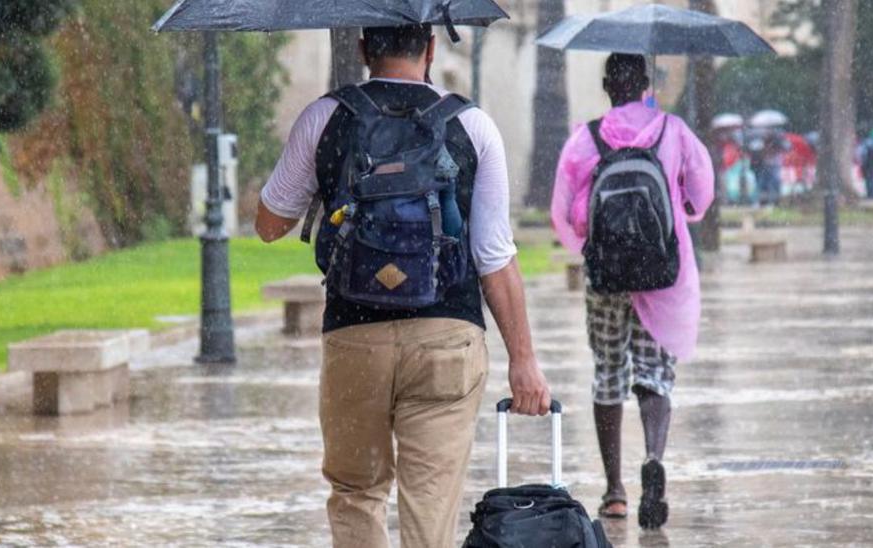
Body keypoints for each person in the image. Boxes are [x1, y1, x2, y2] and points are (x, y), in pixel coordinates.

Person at [254, 24, 551, 548]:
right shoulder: (472, 126)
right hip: (447, 339)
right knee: (430, 504)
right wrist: (522, 360)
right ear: (432, 48)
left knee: (356, 493)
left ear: (364, 47)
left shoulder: (326, 118)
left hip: (354, 338)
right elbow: (494, 257)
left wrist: (333, 190)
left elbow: (269, 222)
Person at [549, 53, 714, 530]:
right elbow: (701, 193)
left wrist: (595, 245)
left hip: (606, 276)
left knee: (607, 371)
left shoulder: (586, 138)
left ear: (607, 87)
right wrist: (678, 206)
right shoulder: (673, 131)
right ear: (646, 84)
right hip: (661, 273)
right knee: (654, 373)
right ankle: (654, 458)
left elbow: (564, 214)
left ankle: (615, 491)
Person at [857, 133, 873, 198]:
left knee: (867, 179)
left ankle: (869, 193)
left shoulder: (863, 144)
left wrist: (862, 162)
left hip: (866, 164)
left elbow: (859, 154)